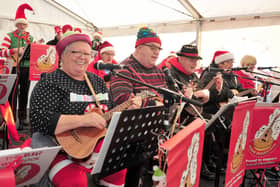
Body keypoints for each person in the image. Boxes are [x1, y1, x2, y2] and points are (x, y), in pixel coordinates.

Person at [30, 31, 126, 187]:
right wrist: (82, 120)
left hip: (93, 145)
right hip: (60, 151)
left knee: (118, 169)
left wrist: (128, 107)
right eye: (77, 52)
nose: (84, 57)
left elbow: (110, 108)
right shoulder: (50, 81)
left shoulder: (97, 81)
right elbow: (39, 120)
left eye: (88, 53)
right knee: (75, 182)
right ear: (63, 55)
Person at [110, 26, 166, 186]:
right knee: (133, 178)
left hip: (154, 133)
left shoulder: (158, 71)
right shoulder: (124, 68)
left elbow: (163, 98)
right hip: (131, 138)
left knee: (158, 176)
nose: (156, 52)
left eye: (158, 49)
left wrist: (153, 101)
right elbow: (124, 100)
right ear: (139, 47)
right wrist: (154, 102)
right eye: (152, 48)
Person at [0, 3, 34, 130]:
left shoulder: (30, 37)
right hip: (13, 68)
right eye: (20, 24)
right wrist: (14, 50)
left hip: (27, 68)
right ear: (16, 24)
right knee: (12, 95)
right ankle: (11, 119)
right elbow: (1, 51)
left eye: (24, 25)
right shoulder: (9, 36)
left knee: (24, 93)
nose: (22, 27)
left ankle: (23, 117)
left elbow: (33, 51)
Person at [166, 45, 210, 125]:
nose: (195, 64)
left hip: (193, 115)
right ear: (181, 59)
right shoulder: (170, 75)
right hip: (178, 121)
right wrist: (195, 95)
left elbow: (200, 95)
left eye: (196, 61)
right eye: (192, 60)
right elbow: (173, 103)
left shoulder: (193, 75)